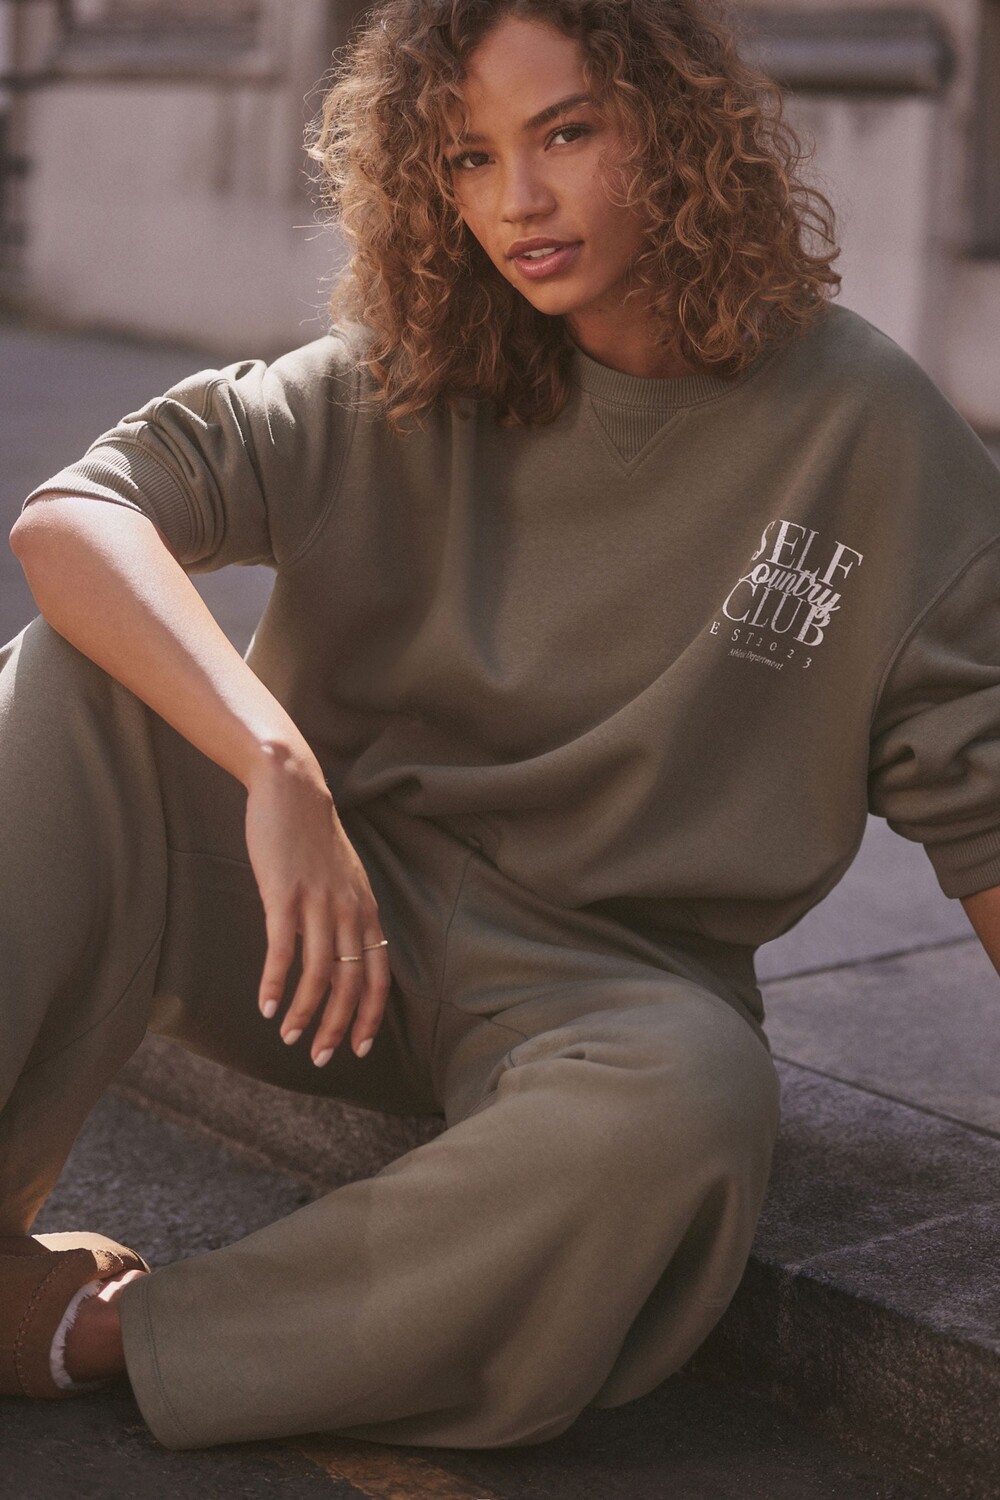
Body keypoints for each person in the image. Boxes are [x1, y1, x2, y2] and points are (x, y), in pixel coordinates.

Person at [3, 0, 1000, 1455]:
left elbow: (984, 810)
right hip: (322, 930)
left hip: (604, 989)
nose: (518, 200)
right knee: (73, 681)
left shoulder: (873, 434)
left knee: (697, 1104)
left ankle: (94, 1332)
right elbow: (74, 517)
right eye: (469, 157)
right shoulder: (406, 370)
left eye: (566, 132)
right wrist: (276, 764)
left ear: (679, 127)